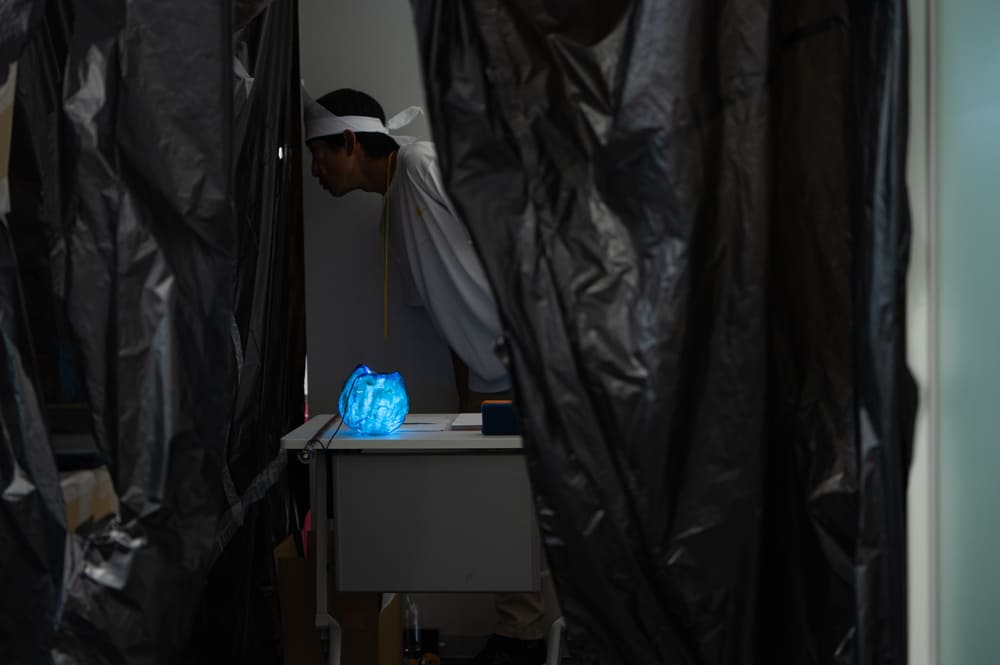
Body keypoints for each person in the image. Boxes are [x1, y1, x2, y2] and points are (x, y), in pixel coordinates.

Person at [303, 87, 547, 665]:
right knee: (503, 506)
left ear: (350, 141)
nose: (314, 170)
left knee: (533, 509)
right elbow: (445, 316)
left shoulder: (420, 163)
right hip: (491, 380)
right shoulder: (391, 219)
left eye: (319, 153)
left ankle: (530, 638)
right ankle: (522, 635)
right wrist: (468, 404)